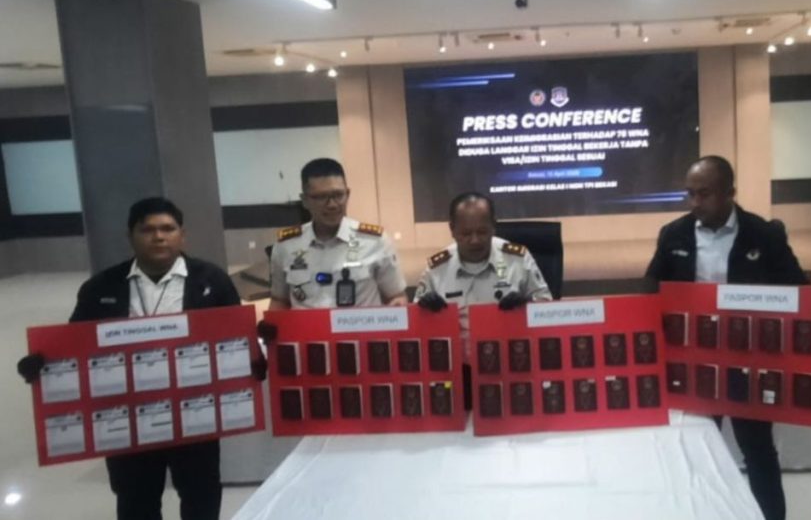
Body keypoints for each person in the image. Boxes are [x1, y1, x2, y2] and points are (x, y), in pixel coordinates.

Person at [645, 156, 811, 520]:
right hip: (695, 364)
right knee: (695, 452)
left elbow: (802, 295)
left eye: (704, 193)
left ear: (729, 192)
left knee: (758, 451)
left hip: (748, 363)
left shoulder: (764, 235)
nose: (695, 202)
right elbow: (650, 293)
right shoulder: (674, 235)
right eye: (690, 194)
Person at [16, 197, 243, 520]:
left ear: (182, 235)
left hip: (194, 412)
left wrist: (254, 360)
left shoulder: (212, 281)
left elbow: (237, 338)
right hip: (126, 417)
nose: (158, 237)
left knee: (201, 494)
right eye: (147, 230)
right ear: (130, 236)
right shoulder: (100, 287)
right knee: (136, 500)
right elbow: (73, 344)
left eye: (168, 228)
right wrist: (42, 361)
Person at [414, 191, 552, 392]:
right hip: (456, 372)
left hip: (512, 365)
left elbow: (547, 306)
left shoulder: (517, 259)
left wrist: (527, 306)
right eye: (466, 233)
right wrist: (426, 310)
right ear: (452, 230)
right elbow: (416, 322)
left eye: (482, 232)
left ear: (494, 226)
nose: (475, 240)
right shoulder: (437, 269)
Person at [267, 158, 407, 311]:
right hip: (307, 327)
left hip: (359, 326)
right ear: (305, 200)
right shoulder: (286, 246)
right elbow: (279, 301)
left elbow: (396, 296)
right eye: (321, 197)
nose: (332, 204)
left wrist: (398, 305)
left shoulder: (374, 242)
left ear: (348, 194)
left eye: (338, 195)